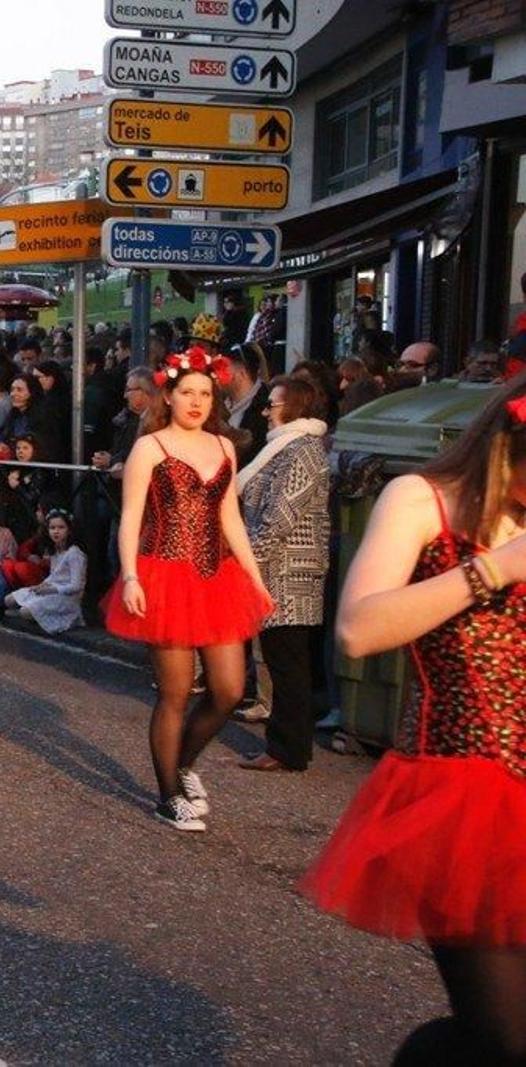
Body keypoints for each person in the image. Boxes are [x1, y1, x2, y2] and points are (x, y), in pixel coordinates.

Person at [302, 380, 526, 1063]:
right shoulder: (420, 499)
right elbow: (359, 628)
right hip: (466, 799)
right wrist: (493, 568)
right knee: (504, 1039)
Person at [102, 345, 274, 831]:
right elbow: (131, 518)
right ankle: (168, 795)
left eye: (205, 393)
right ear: (170, 397)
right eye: (187, 393)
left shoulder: (223, 447)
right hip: (164, 574)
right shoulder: (149, 447)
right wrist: (131, 575)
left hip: (217, 576)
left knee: (229, 689)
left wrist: (256, 578)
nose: (197, 402)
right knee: (175, 691)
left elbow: (229, 517)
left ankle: (184, 763)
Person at [236, 375, 331, 772]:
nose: (265, 411)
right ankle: (287, 746)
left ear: (296, 406)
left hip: (290, 573)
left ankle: (287, 749)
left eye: (272, 404)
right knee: (281, 660)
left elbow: (279, 517)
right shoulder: (285, 448)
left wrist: (247, 561)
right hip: (277, 570)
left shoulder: (301, 451)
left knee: (288, 663)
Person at [7, 509, 87, 634]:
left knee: (24, 612)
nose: (56, 531)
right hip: (51, 590)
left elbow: (76, 586)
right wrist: (41, 586)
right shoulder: (55, 551)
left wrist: (53, 589)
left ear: (69, 530)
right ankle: (34, 612)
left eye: (61, 527)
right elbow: (54, 575)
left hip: (66, 598)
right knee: (9, 600)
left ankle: (39, 614)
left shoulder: (74, 554)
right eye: (52, 528)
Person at [223, 343, 269, 467]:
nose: (217, 375)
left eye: (224, 369)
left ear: (241, 374)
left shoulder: (265, 408)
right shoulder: (218, 404)